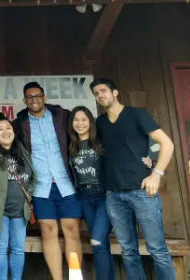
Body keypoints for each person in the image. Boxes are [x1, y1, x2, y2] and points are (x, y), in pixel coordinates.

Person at [91, 78, 176, 280]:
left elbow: (166, 143)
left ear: (115, 92)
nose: (100, 95)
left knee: (157, 249)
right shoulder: (100, 123)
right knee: (128, 251)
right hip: (114, 195)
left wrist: (156, 172)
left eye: (103, 90)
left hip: (142, 192)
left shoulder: (136, 114)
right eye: (96, 93)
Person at [13, 81, 82, 280]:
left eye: (37, 96)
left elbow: (83, 132)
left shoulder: (63, 117)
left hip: (65, 183)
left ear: (45, 97)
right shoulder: (20, 124)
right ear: (25, 100)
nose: (34, 100)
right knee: (48, 231)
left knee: (71, 229)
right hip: (41, 187)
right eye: (29, 97)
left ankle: (76, 277)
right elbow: (1, 137)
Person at [0, 112, 35, 280]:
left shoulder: (22, 150)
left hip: (20, 210)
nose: (5, 132)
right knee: (1, 247)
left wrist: (30, 195)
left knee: (19, 248)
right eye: (0, 129)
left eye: (8, 128)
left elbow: (34, 175)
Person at [68, 106, 114, 280]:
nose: (80, 123)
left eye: (84, 119)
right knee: (101, 244)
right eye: (76, 120)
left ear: (90, 122)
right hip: (85, 199)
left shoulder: (100, 143)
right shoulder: (71, 147)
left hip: (104, 196)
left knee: (96, 241)